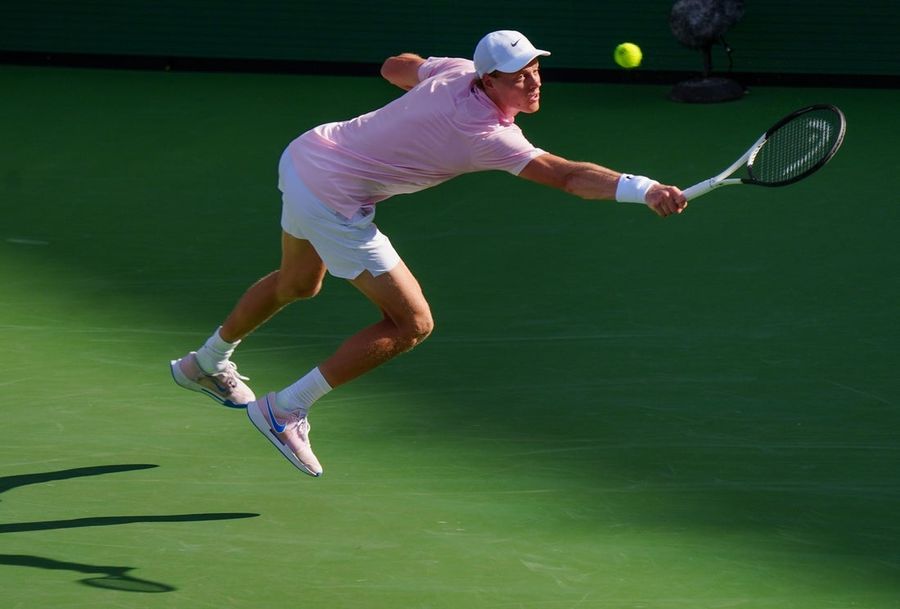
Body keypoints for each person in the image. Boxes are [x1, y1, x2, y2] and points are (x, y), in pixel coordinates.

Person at [170, 30, 688, 477]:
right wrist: (644, 189)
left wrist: (421, 87)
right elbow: (569, 177)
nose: (532, 82)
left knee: (297, 283)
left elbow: (394, 67)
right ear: (489, 81)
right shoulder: (487, 134)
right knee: (411, 323)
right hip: (333, 195)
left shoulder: (456, 71)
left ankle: (205, 363)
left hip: (307, 154)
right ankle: (285, 410)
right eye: (518, 76)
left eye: (535, 69)